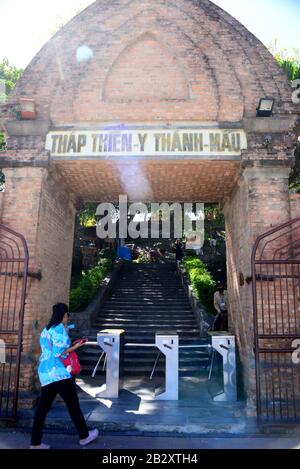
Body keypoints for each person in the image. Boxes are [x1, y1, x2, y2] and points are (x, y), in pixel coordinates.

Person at [30, 303, 99, 449]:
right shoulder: (59, 329)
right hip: (60, 373)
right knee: (73, 406)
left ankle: (35, 443)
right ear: (64, 314)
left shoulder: (46, 329)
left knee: (42, 410)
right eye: (68, 314)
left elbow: (50, 349)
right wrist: (77, 346)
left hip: (46, 373)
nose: (68, 317)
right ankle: (84, 436)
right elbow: (58, 352)